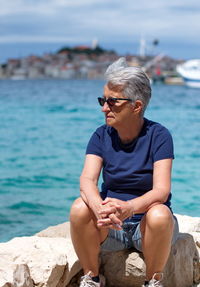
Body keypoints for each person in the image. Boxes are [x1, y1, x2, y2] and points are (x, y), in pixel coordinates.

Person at [70, 57, 179, 287]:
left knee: (159, 214)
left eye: (112, 101)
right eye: (103, 100)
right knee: (80, 207)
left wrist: (129, 209)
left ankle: (154, 280)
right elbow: (87, 180)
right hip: (109, 226)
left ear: (136, 106)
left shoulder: (159, 136)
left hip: (146, 227)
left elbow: (161, 191)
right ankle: (92, 278)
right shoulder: (101, 135)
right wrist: (100, 209)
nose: (104, 108)